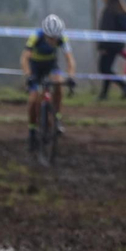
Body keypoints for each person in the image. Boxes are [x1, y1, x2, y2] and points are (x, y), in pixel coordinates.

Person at [22, 14, 77, 150]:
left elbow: (70, 60)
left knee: (58, 84)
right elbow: (24, 59)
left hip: (51, 66)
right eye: (50, 38)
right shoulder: (36, 36)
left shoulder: (62, 38)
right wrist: (29, 75)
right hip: (35, 68)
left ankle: (57, 118)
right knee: (33, 100)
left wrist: (70, 77)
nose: (53, 41)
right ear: (45, 34)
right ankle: (32, 130)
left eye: (55, 38)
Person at [96, 0, 126, 100]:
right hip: (112, 45)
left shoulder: (114, 10)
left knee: (104, 68)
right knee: (105, 68)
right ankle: (105, 93)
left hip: (111, 45)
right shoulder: (113, 8)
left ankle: (124, 87)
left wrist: (106, 45)